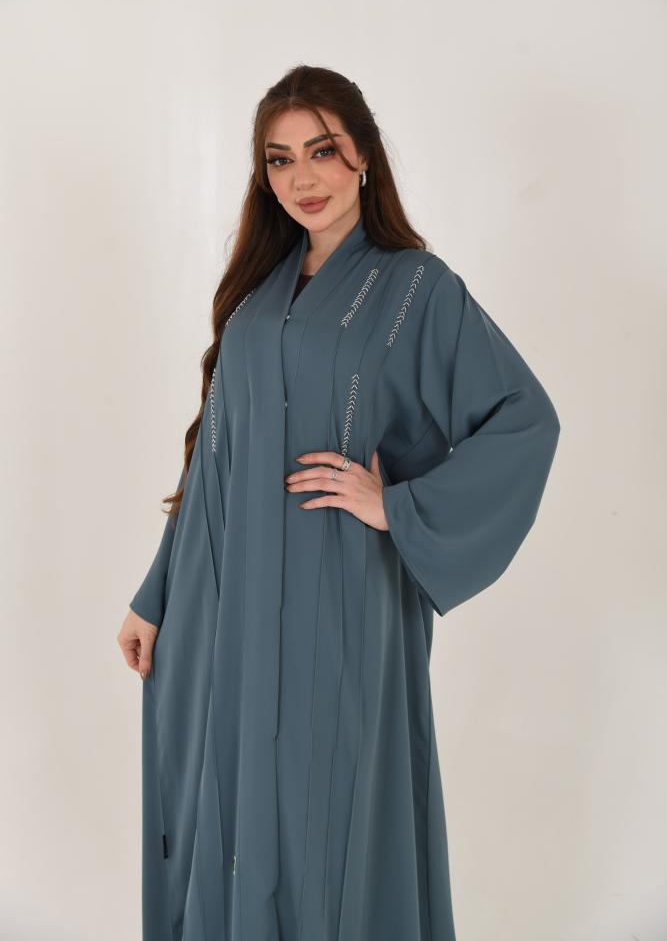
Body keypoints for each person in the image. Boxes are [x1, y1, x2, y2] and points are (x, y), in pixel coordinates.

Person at [117, 64, 560, 941]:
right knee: (226, 800)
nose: (302, 178)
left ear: (362, 155)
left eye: (321, 151)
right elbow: (213, 460)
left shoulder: (416, 288)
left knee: (327, 811)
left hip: (341, 599)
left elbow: (524, 419)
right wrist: (154, 593)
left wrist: (398, 505)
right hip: (224, 610)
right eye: (279, 160)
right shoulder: (255, 298)